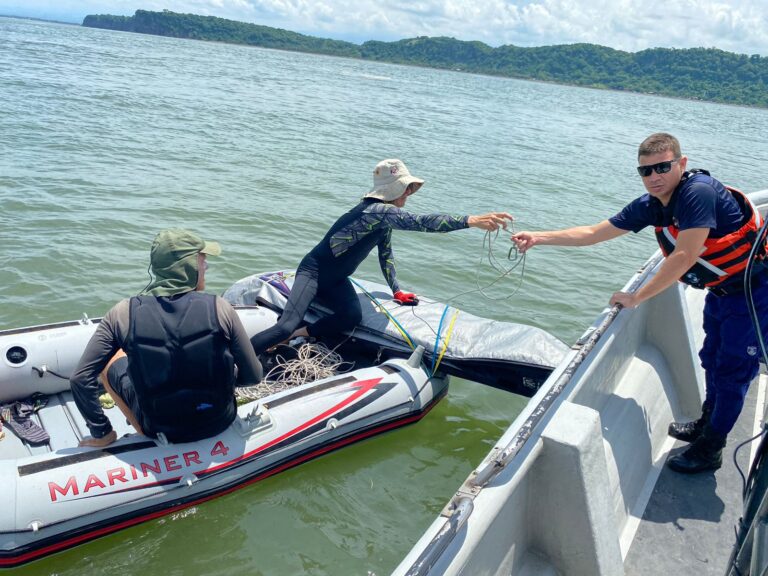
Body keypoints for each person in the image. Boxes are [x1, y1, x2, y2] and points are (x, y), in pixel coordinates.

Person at [511, 132, 768, 474]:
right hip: (722, 293)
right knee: (711, 360)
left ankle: (712, 448)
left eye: (662, 167)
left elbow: (685, 256)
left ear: (682, 163)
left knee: (732, 372)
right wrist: (539, 237)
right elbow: (594, 233)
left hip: (754, 294)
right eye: (645, 171)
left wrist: (637, 296)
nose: (654, 177)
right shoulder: (652, 206)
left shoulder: (698, 193)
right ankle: (706, 423)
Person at [250, 158, 514, 355]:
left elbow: (385, 254)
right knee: (284, 326)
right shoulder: (376, 211)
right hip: (314, 273)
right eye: (407, 188)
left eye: (411, 188)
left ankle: (300, 334)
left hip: (337, 280)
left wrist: (396, 290)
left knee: (351, 317)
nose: (409, 193)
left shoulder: (383, 219)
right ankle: (235, 360)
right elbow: (422, 222)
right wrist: (470, 220)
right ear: (394, 189)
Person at [71, 229, 263, 448]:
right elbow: (254, 376)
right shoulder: (220, 308)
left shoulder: (122, 314)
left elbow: (80, 379)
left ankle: (106, 436)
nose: (207, 267)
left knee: (111, 361)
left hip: (160, 428)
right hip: (219, 420)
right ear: (187, 266)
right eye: (202, 260)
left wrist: (99, 427)